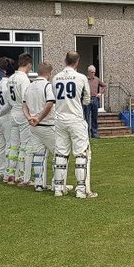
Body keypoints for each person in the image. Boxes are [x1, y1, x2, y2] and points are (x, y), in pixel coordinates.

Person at [52, 50, 97, 198]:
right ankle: (81, 190)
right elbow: (87, 99)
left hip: (59, 119)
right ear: (77, 62)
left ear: (65, 60)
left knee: (61, 153)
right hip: (76, 118)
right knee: (81, 154)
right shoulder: (81, 77)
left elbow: (53, 98)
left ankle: (58, 188)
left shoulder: (56, 78)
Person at [21, 62, 57, 191]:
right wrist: (39, 118)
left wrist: (29, 117)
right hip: (47, 125)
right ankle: (56, 184)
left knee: (38, 154)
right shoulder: (47, 86)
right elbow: (49, 104)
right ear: (48, 73)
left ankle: (39, 183)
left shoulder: (29, 87)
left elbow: (24, 105)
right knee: (58, 153)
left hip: (33, 126)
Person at [4, 53, 33, 183]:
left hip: (13, 113)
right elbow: (26, 99)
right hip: (22, 113)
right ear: (29, 64)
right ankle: (21, 175)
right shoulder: (24, 79)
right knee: (24, 145)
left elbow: (8, 99)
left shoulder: (11, 78)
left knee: (13, 145)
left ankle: (10, 174)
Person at [85, 65, 107, 139]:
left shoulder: (97, 79)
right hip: (87, 99)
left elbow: (104, 86)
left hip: (95, 99)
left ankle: (94, 133)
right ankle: (86, 134)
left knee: (94, 117)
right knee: (86, 117)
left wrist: (100, 93)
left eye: (94, 72)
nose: (93, 73)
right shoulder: (84, 79)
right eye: (92, 72)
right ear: (88, 72)